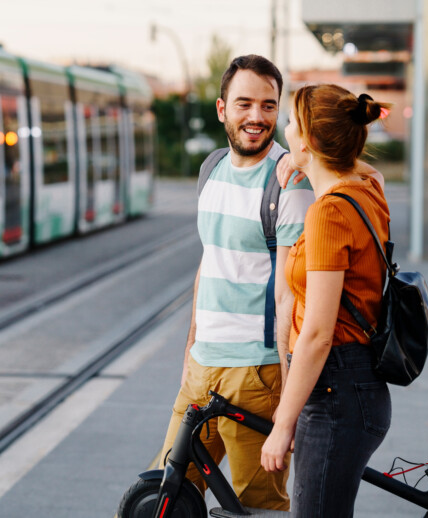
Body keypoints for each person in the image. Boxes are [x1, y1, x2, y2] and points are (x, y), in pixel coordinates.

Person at [158, 55, 314, 511]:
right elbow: (210, 264)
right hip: (202, 369)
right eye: (244, 104)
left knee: (258, 504)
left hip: (257, 374)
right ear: (223, 109)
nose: (256, 117)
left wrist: (287, 391)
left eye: (268, 106)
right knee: (164, 496)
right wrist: (190, 350)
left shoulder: (291, 182)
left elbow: (290, 292)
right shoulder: (211, 170)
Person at [260, 84, 393, 517]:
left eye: (292, 124)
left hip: (336, 389)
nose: (285, 129)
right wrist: (309, 169)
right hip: (353, 385)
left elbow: (317, 333)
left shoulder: (329, 214)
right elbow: (368, 175)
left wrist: (283, 423)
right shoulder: (367, 191)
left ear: (310, 141)